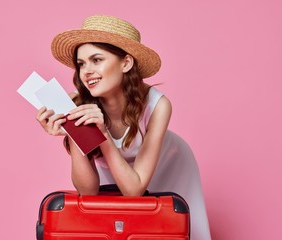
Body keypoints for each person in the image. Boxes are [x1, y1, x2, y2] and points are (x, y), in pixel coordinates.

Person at [36, 15, 211, 239]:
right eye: (81, 64)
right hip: (119, 171)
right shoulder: (78, 104)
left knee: (173, 230)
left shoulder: (157, 105)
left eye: (96, 60)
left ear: (126, 63)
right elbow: (88, 192)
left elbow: (134, 189)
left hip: (169, 163)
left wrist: (103, 135)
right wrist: (74, 133)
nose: (86, 71)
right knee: (121, 227)